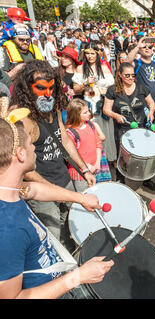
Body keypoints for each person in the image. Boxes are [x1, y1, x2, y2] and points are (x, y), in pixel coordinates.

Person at [0, 112, 114, 299]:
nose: (34, 149)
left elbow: (35, 190)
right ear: (20, 154)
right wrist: (79, 276)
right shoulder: (6, 228)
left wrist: (81, 198)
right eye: (30, 144)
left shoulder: (9, 189)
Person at [9, 60, 96, 246]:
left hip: (64, 180)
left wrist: (84, 170)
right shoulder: (21, 119)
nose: (48, 94)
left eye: (51, 88)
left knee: (72, 228)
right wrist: (50, 189)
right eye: (41, 88)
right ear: (27, 88)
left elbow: (64, 140)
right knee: (52, 240)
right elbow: (22, 166)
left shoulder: (53, 106)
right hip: (42, 192)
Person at [102, 62, 155, 183]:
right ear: (120, 75)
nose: (131, 78)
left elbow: (151, 103)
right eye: (127, 75)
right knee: (123, 156)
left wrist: (151, 112)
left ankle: (147, 179)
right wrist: (116, 115)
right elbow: (106, 110)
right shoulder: (113, 90)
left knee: (143, 154)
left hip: (141, 127)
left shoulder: (141, 88)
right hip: (122, 129)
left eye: (133, 75)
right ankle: (121, 179)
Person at [125, 36, 155, 162]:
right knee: (145, 135)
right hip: (143, 108)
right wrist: (137, 46)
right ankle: (143, 160)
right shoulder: (137, 64)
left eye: (149, 47)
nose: (147, 48)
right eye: (144, 47)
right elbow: (126, 62)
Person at [72, 41, 116, 167]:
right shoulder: (81, 69)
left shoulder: (104, 68)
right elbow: (75, 89)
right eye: (87, 53)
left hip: (102, 105)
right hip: (88, 106)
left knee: (106, 131)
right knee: (91, 133)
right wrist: (85, 83)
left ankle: (110, 158)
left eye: (93, 53)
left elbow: (112, 88)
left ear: (98, 54)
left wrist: (104, 91)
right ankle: (94, 161)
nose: (90, 56)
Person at [65, 98, 110, 192]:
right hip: (80, 174)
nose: (89, 113)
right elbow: (69, 156)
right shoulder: (70, 133)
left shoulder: (91, 125)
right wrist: (87, 167)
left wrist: (97, 163)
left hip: (95, 169)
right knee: (86, 197)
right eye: (85, 113)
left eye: (88, 110)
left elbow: (98, 144)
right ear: (76, 115)